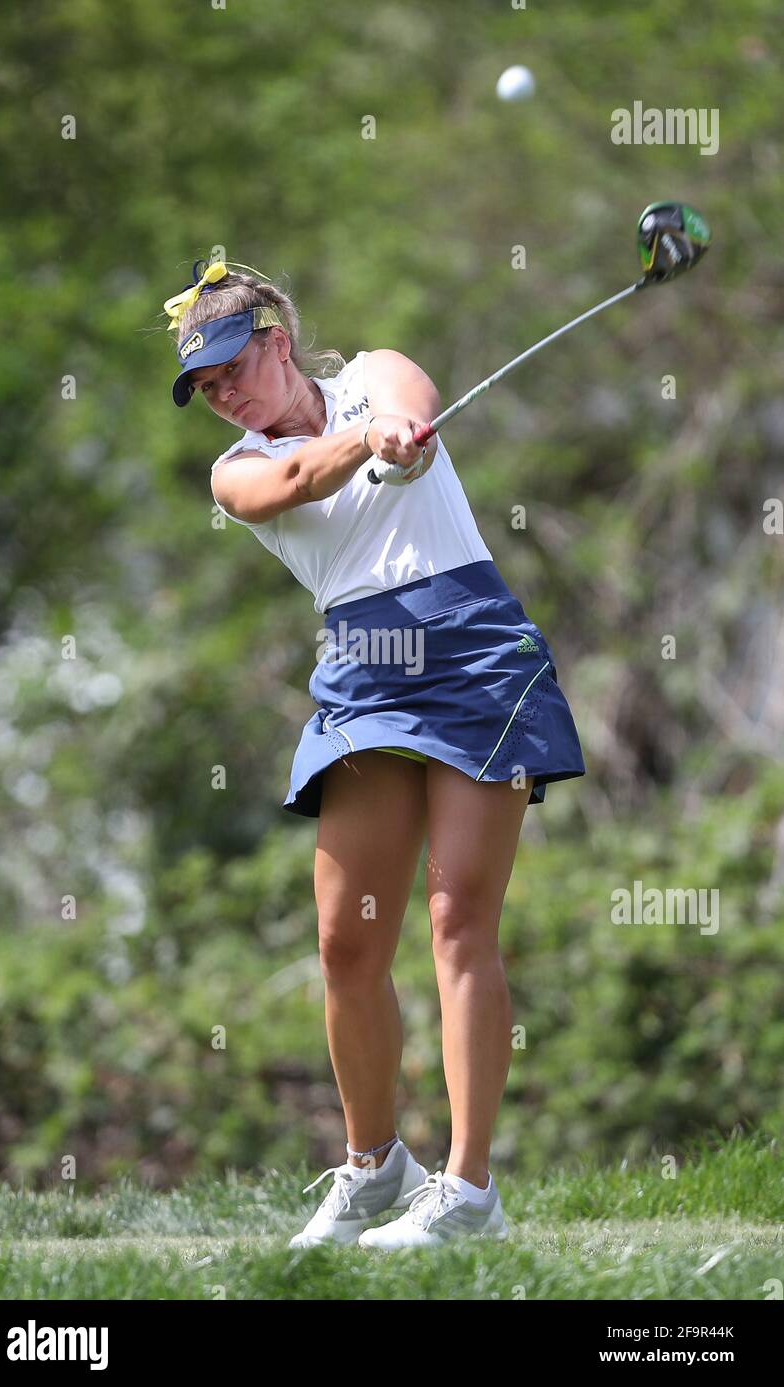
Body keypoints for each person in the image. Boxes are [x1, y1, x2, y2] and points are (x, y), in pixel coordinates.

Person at [163, 258, 586, 1250]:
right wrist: (365, 443)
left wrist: (390, 426)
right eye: (207, 389)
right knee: (345, 943)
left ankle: (467, 1187)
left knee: (457, 919)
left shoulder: (373, 375)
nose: (224, 396)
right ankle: (370, 1164)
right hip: (362, 666)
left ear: (273, 340)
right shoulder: (234, 470)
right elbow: (293, 483)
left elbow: (407, 401)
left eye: (232, 368)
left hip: (473, 647)